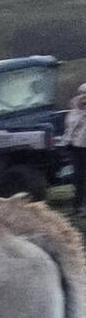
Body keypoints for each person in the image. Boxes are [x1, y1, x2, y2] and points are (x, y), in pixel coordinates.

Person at [67, 83, 86, 218]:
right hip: (76, 148)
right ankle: (78, 206)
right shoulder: (74, 112)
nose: (83, 97)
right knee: (78, 178)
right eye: (81, 93)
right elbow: (69, 129)